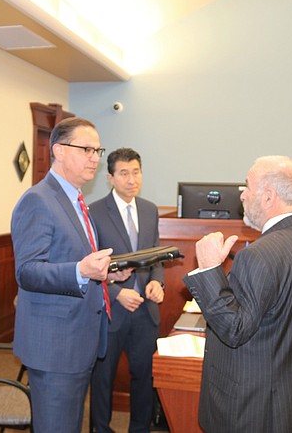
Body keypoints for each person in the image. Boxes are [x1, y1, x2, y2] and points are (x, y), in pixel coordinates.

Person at [182, 155, 292, 433]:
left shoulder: (258, 256)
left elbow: (235, 330)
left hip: (264, 410)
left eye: (247, 186)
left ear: (268, 196)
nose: (242, 194)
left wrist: (209, 269)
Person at [11, 117, 132, 433]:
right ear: (59, 151)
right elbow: (28, 272)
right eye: (87, 149)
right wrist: (81, 270)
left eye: (98, 150)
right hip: (55, 346)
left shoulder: (77, 201)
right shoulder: (38, 200)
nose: (95, 157)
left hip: (80, 339)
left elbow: (72, 259)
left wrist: (106, 275)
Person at [88, 148, 164, 433]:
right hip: (111, 310)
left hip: (146, 311)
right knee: (103, 379)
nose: (131, 179)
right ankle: (101, 429)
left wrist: (158, 282)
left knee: (144, 377)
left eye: (136, 172)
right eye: (124, 173)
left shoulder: (149, 209)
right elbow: (89, 264)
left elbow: (155, 255)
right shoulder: (94, 212)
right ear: (110, 177)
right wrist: (117, 292)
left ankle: (140, 428)